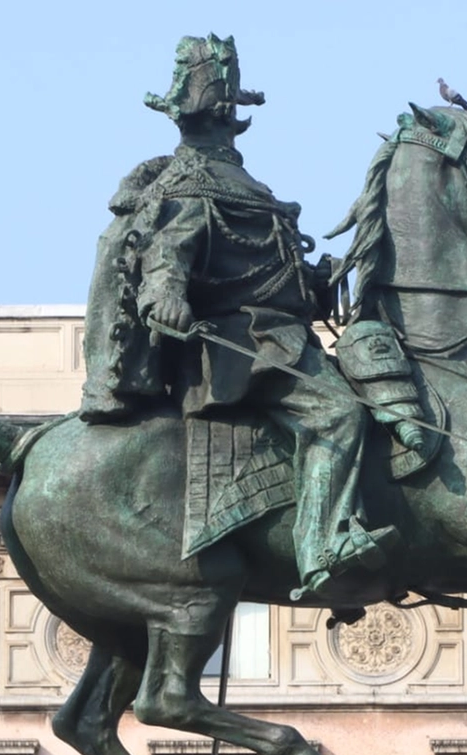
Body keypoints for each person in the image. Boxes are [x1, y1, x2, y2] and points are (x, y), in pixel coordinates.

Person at [78, 34, 396, 599]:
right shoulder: (189, 184)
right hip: (242, 349)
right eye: (213, 113)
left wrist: (327, 279)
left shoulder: (243, 183)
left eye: (218, 112)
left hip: (281, 336)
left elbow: (274, 276)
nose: (217, 123)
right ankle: (322, 543)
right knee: (341, 413)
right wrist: (163, 297)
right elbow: (167, 253)